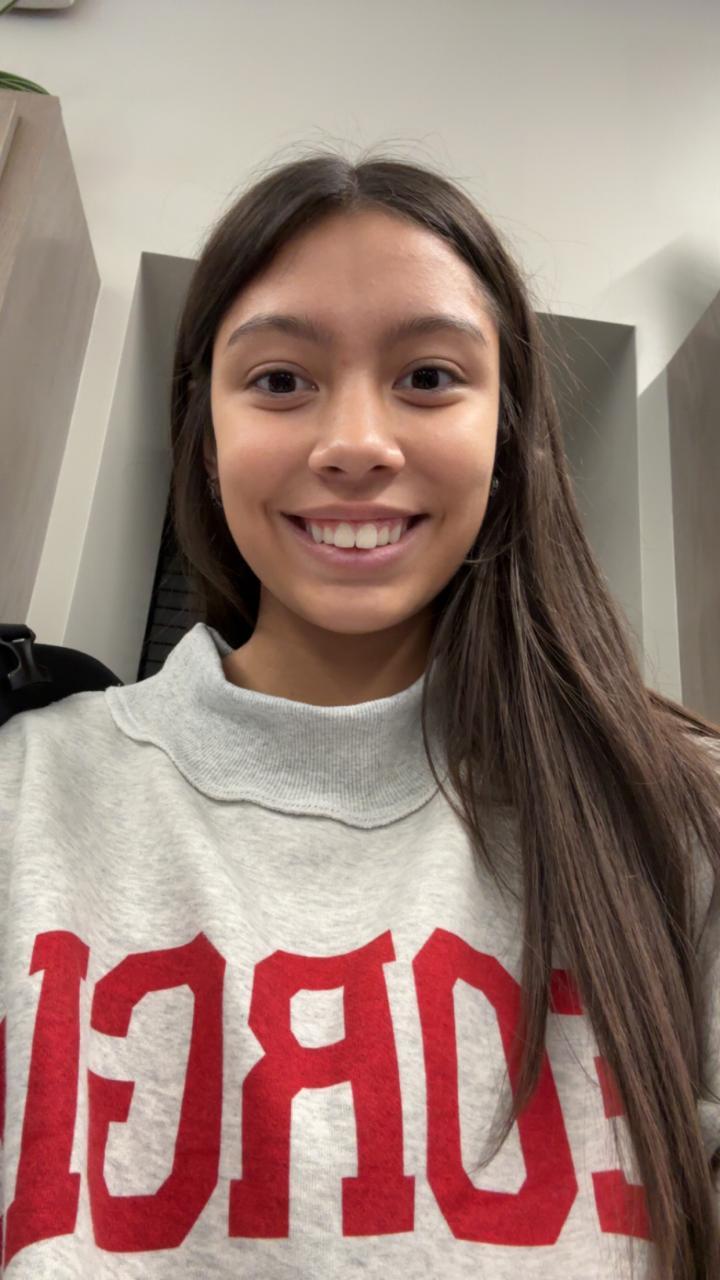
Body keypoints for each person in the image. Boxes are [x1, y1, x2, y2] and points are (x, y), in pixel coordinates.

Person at [1, 148, 719, 1278]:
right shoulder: (24, 791)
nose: (355, 445)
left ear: (506, 436)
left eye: (428, 376)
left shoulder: (680, 815)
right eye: (280, 380)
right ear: (206, 435)